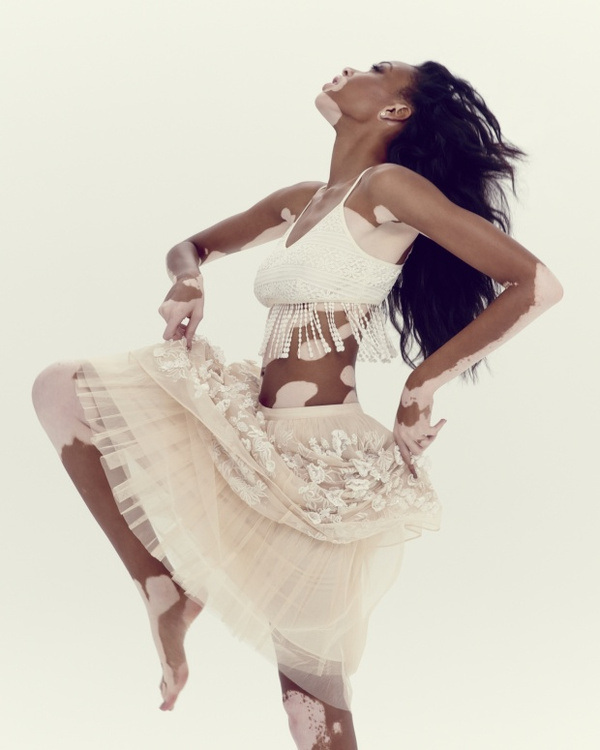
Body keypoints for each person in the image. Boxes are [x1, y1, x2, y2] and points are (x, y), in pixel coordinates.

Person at [32, 60, 563, 750]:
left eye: (378, 69)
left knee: (310, 708)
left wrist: (421, 386)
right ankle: (162, 588)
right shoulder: (305, 200)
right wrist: (189, 282)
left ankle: (182, 600)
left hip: (320, 466)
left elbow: (535, 283)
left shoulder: (388, 188)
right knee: (62, 389)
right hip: (250, 431)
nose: (352, 67)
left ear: (396, 112)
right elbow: (190, 246)